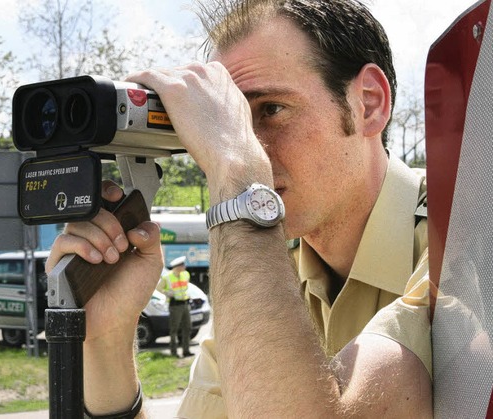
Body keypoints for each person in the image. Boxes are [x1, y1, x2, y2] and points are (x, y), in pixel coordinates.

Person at [45, 0, 433, 416]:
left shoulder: (465, 240)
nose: (252, 151)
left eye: (271, 110)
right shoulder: (266, 271)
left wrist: (236, 175)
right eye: (231, 125)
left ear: (368, 104)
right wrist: (108, 340)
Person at [158, 256, 193, 358]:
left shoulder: (186, 274)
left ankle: (186, 351)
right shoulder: (167, 277)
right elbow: (158, 288)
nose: (185, 267)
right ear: (178, 267)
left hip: (185, 304)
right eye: (183, 265)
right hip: (175, 306)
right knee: (174, 329)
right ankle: (174, 352)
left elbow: (186, 287)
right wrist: (167, 293)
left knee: (187, 327)